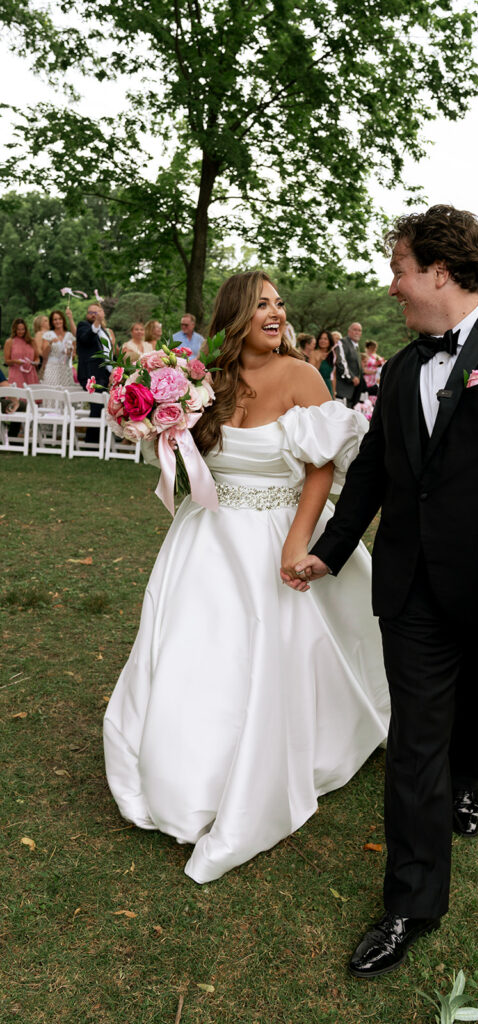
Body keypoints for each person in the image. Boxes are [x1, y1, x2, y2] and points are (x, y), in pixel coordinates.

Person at [289, 205, 478, 978]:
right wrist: (328, 550)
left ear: (440, 271)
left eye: (399, 268)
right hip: (412, 587)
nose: (391, 286)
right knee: (413, 740)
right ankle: (410, 903)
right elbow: (378, 474)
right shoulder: (397, 368)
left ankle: (470, 780)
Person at [103, 271, 390, 884]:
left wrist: (295, 540)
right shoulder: (203, 381)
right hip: (206, 532)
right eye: (262, 304)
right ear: (235, 316)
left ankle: (279, 756)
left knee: (275, 651)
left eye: (279, 304)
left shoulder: (301, 376)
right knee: (195, 650)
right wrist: (152, 420)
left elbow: (320, 467)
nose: (276, 313)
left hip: (280, 526)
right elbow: (189, 456)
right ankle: (187, 768)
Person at [76, 303, 115, 441]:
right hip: (91, 374)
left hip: (105, 373)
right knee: (97, 406)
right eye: (91, 312)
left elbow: (107, 351)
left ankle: (102, 439)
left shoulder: (103, 331)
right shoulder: (83, 326)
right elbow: (86, 338)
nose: (94, 315)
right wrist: (97, 321)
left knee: (105, 407)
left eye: (97, 312)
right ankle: (92, 440)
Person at [41, 310, 77, 387]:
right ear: (52, 322)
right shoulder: (48, 335)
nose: (58, 321)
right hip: (52, 368)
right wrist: (50, 343)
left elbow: (73, 357)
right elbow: (44, 355)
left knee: (66, 393)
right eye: (55, 319)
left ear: (63, 320)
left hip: (65, 369)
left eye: (60, 319)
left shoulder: (70, 335)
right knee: (52, 392)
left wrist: (70, 353)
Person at [4, 318, 40, 387]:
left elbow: (37, 358)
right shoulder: (9, 342)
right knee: (17, 396)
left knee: (32, 396)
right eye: (18, 329)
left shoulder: (32, 341)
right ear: (15, 329)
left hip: (31, 374)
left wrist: (35, 362)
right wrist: (15, 361)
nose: (21, 332)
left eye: (23, 329)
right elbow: (7, 361)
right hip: (16, 374)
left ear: (26, 329)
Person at [336, 322, 363, 407]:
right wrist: (352, 377)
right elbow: (341, 362)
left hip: (353, 390)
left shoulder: (356, 346)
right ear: (349, 331)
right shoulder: (343, 342)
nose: (357, 332)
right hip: (343, 387)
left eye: (359, 330)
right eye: (355, 330)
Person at [310, 329, 335, 396]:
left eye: (325, 339)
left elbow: (334, 377)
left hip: (328, 387)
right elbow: (312, 373)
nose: (322, 341)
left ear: (329, 341)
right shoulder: (313, 353)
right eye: (321, 338)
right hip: (317, 385)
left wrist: (334, 393)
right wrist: (319, 361)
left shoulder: (333, 355)